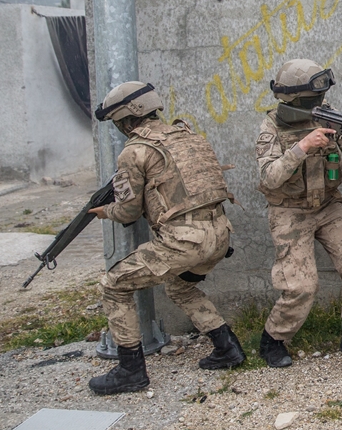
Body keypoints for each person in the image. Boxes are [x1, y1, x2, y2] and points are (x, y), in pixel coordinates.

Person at [88, 81, 245, 395]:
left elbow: (129, 211)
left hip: (184, 242)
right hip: (219, 235)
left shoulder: (135, 151)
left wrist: (107, 212)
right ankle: (228, 348)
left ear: (125, 118)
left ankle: (130, 370)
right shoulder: (188, 135)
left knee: (114, 285)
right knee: (180, 286)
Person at [255, 59, 342, 368]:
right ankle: (273, 339)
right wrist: (302, 147)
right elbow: (269, 177)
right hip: (289, 211)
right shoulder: (272, 126)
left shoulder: (330, 116)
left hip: (327, 206)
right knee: (302, 285)